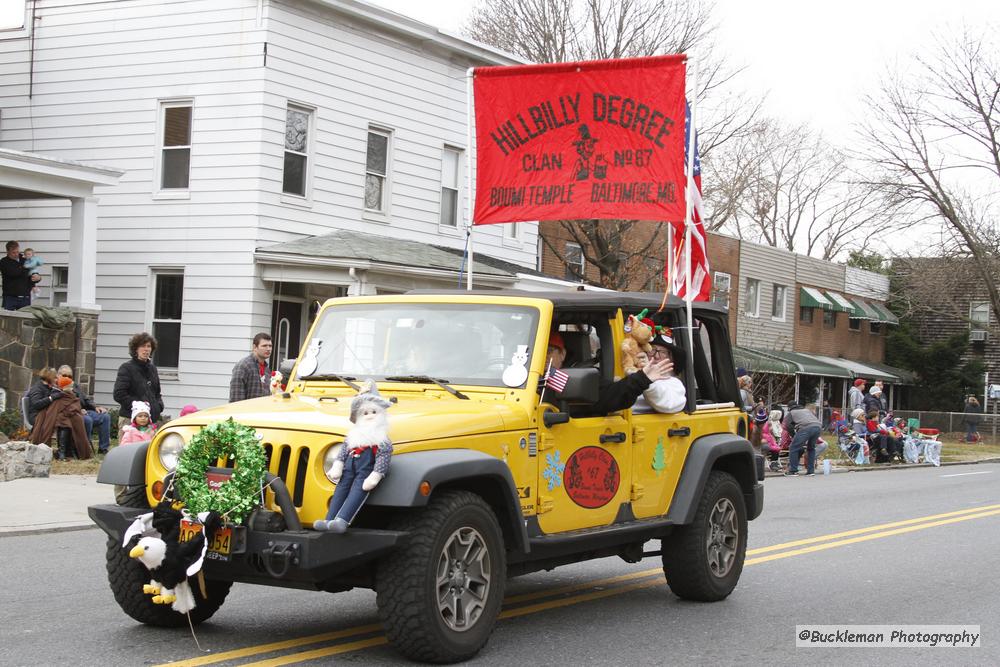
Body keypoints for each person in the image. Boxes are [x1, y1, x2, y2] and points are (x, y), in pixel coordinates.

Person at [544, 330, 675, 414]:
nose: (542, 357)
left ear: (562, 354)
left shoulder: (582, 377)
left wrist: (643, 378)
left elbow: (611, 395)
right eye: (536, 351)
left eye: (548, 351)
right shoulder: (525, 379)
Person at [26, 367, 91, 459]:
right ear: (49, 377)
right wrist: (51, 398)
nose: (57, 379)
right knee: (63, 419)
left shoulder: (53, 387)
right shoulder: (37, 388)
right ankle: (66, 451)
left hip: (51, 413)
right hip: (38, 416)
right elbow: (37, 404)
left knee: (68, 417)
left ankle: (69, 450)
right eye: (55, 377)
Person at [56, 365, 112, 454]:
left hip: (85, 411)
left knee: (105, 416)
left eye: (69, 376)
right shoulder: (57, 389)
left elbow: (85, 399)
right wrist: (78, 410)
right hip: (72, 414)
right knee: (87, 420)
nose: (67, 378)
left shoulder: (74, 385)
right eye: (64, 375)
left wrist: (95, 407)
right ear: (58, 376)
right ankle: (84, 449)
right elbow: (62, 406)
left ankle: (103, 448)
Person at [113, 332, 164, 425]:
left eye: (148, 346)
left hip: (150, 421)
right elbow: (119, 394)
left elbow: (157, 393)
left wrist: (159, 406)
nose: (146, 349)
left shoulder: (153, 369)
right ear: (136, 349)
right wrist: (139, 407)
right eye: (142, 346)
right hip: (130, 421)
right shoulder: (126, 368)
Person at [631, 330, 686, 414]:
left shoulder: (673, 382)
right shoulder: (629, 373)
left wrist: (645, 378)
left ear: (670, 359)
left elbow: (669, 405)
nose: (656, 356)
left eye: (663, 352)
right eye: (652, 350)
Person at [229, 332, 274, 402]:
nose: (268, 349)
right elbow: (236, 399)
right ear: (255, 347)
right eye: (264, 346)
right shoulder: (243, 366)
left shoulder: (267, 370)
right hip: (246, 412)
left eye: (270, 346)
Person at [782, 402, 822, 476]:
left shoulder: (792, 412)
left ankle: (793, 471)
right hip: (818, 427)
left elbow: (787, 425)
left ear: (789, 408)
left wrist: (794, 435)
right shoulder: (806, 410)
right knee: (811, 448)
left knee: (793, 447)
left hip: (806, 428)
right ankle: (811, 471)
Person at [0, 240, 42, 311]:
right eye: (13, 252)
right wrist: (25, 267)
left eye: (17, 251)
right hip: (10, 298)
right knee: (8, 320)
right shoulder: (3, 262)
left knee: (25, 320)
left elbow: (32, 271)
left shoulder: (25, 259)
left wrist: (38, 277)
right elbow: (14, 273)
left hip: (25, 297)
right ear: (7, 252)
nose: (16, 254)